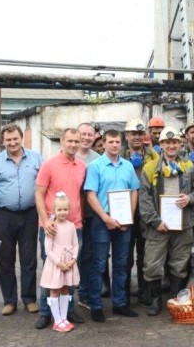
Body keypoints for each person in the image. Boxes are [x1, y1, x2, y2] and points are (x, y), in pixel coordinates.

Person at [140, 126, 194, 316]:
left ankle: (174, 299)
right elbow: (144, 198)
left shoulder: (189, 167)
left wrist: (190, 199)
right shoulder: (150, 168)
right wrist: (155, 221)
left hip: (183, 225)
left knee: (180, 262)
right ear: (161, 145)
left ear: (180, 144)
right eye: (167, 142)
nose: (171, 146)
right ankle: (155, 300)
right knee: (152, 265)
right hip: (157, 226)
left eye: (174, 142)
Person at [0, 124, 43, 316]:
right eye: (8, 140)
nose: (12, 142)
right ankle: (9, 301)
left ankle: (29, 299)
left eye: (15, 138)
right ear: (3, 141)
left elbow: (43, 187)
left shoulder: (36, 158)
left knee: (29, 259)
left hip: (30, 214)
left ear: (21, 138)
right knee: (6, 260)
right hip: (4, 215)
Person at [83, 129, 140, 322]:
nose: (115, 145)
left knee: (121, 264)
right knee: (99, 263)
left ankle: (120, 304)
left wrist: (128, 217)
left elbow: (134, 191)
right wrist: (106, 218)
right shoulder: (95, 166)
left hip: (124, 223)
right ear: (104, 144)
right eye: (111, 142)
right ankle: (96, 306)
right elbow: (90, 195)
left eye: (117, 142)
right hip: (102, 221)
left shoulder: (128, 166)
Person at [34, 128, 87, 329]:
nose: (73, 144)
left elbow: (81, 195)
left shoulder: (82, 166)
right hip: (52, 227)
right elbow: (38, 194)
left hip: (75, 227)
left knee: (71, 268)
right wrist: (46, 221)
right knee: (51, 269)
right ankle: (45, 312)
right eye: (70, 141)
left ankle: (68, 311)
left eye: (77, 141)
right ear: (62, 142)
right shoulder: (48, 165)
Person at [123, 118, 160, 307]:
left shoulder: (153, 156)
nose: (137, 137)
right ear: (127, 135)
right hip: (125, 212)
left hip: (146, 212)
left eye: (140, 134)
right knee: (125, 255)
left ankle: (145, 292)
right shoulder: (120, 154)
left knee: (145, 254)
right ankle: (125, 293)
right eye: (133, 134)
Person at [39, 192, 80, 333]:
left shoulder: (71, 226)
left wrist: (73, 259)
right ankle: (57, 320)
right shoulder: (51, 227)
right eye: (59, 209)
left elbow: (75, 244)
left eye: (65, 209)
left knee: (65, 289)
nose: (63, 212)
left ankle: (64, 318)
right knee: (54, 289)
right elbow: (48, 250)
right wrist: (59, 263)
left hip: (68, 263)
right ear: (54, 210)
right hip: (56, 265)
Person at [75, 122, 106, 310]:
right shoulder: (70, 156)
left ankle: (85, 293)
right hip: (72, 216)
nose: (86, 138)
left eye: (89, 135)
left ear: (94, 137)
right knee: (71, 254)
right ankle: (66, 294)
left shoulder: (98, 159)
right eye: (83, 134)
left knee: (89, 255)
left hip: (92, 215)